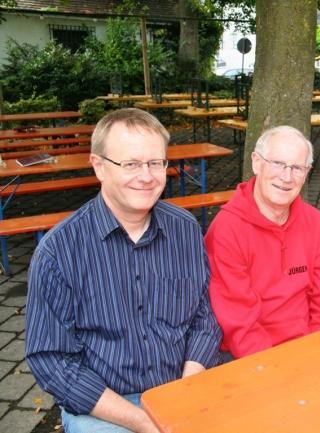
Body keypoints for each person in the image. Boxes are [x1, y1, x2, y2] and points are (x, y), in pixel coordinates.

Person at [25, 108, 223, 433]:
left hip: (181, 386)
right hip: (105, 405)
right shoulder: (59, 251)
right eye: (130, 163)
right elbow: (51, 360)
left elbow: (204, 317)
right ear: (99, 166)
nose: (146, 176)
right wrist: (143, 422)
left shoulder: (186, 229)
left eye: (155, 162)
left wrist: (188, 389)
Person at [205, 126, 320, 359]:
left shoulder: (314, 221)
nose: (287, 177)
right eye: (278, 164)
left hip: (310, 345)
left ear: (307, 172)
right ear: (256, 163)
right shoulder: (227, 229)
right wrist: (275, 368)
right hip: (251, 357)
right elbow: (239, 322)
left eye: (297, 168)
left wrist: (318, 349)